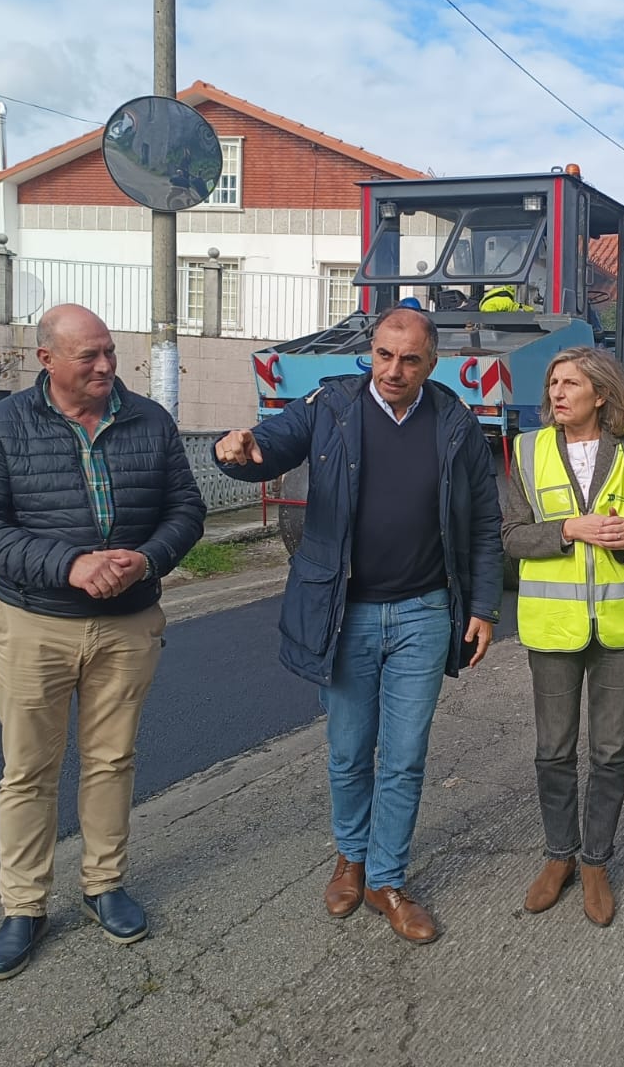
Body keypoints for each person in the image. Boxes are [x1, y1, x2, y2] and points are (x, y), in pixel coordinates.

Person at [213, 306, 502, 945]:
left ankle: (387, 879)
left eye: (410, 360)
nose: (394, 370)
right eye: (384, 355)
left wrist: (482, 608)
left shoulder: (454, 420)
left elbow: (484, 523)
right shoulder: (330, 405)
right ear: (371, 352)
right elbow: (268, 446)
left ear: (433, 363)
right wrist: (235, 451)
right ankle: (351, 858)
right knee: (349, 752)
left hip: (425, 613)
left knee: (403, 757)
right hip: (345, 611)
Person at [0, 304, 206, 981]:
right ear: (47, 361)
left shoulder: (149, 420)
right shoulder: (1, 427)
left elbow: (186, 509)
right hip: (33, 623)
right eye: (87, 356)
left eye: (109, 352)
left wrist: (147, 559)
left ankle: (103, 886)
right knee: (29, 769)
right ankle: (24, 906)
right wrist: (69, 565)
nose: (104, 366)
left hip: (128, 625)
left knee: (111, 761)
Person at [501, 348, 624, 926]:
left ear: (600, 395)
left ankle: (596, 860)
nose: (557, 392)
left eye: (570, 383)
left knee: (610, 751)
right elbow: (510, 536)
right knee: (554, 751)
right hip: (553, 628)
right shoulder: (526, 452)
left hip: (622, 628)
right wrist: (569, 530)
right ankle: (559, 857)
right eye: (553, 382)